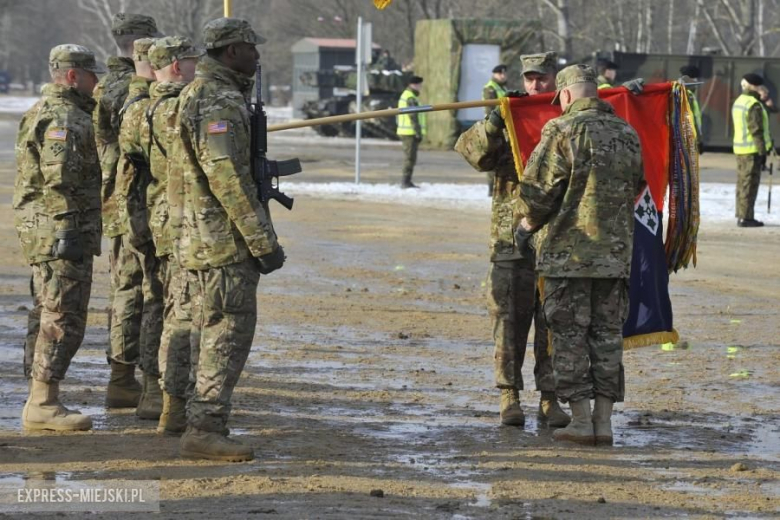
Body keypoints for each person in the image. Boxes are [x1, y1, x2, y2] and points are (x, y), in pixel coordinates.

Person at [171, 17, 285, 461]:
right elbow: (228, 179)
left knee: (208, 329)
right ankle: (205, 427)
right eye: (250, 48)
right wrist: (262, 242)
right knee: (227, 333)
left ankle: (196, 417)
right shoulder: (218, 100)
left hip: (200, 238)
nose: (257, 56)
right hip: (222, 242)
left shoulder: (199, 93)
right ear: (231, 51)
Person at [514, 64, 645, 446]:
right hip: (614, 258)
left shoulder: (561, 130)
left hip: (567, 259)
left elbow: (537, 194)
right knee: (607, 337)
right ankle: (604, 423)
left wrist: (524, 227)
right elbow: (637, 185)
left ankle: (582, 421)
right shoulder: (628, 133)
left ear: (567, 95)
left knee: (569, 337)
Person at [454, 52, 570, 429]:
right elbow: (472, 153)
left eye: (544, 78)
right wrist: (492, 124)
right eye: (530, 78)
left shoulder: (569, 117)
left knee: (553, 323)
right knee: (508, 320)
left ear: (556, 78)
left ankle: (550, 399)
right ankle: (510, 395)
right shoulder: (510, 115)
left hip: (558, 237)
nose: (536, 85)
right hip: (510, 238)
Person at [14, 44, 106, 431]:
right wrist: (68, 229)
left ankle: (40, 396)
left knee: (48, 309)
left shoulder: (49, 111)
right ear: (72, 76)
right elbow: (60, 177)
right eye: (90, 74)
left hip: (50, 229)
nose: (95, 82)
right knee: (62, 315)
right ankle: (43, 401)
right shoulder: (64, 117)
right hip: (61, 230)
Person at [93, 13, 160, 409]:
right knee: (152, 292)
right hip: (143, 201)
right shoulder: (139, 88)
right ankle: (150, 383)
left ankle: (121, 377)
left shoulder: (106, 85)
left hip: (116, 202)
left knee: (125, 291)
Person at [142, 36, 203, 435]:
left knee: (172, 309)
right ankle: (173, 406)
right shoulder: (173, 109)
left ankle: (170, 404)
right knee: (183, 314)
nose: (200, 69)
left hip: (164, 216)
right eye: (194, 63)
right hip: (182, 221)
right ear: (178, 67)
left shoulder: (144, 107)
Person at [115, 37, 164, 419]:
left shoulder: (136, 101)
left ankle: (149, 389)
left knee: (150, 298)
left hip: (139, 215)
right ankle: (151, 390)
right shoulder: (143, 106)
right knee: (156, 302)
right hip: (150, 217)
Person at [732, 73, 772, 228]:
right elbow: (756, 130)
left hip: (741, 150)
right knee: (749, 185)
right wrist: (762, 152)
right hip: (752, 151)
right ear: (755, 86)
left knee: (742, 184)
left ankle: (742, 215)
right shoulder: (753, 105)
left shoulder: (740, 101)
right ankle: (746, 217)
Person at [482, 64, 509, 196]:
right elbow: (490, 109)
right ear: (495, 74)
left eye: (504, 73)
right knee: (493, 157)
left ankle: (499, 187)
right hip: (494, 126)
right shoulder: (490, 88)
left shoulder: (502, 87)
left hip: (504, 126)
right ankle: (491, 188)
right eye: (501, 74)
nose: (504, 76)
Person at [396, 75, 426, 189]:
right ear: (413, 85)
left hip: (408, 132)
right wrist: (418, 132)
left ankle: (407, 180)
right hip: (409, 132)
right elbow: (413, 116)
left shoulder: (409, 95)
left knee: (411, 157)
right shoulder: (410, 97)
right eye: (419, 85)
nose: (420, 87)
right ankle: (405, 181)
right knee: (410, 158)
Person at [679, 65, 703, 152]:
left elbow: (695, 120)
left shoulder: (689, 95)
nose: (697, 82)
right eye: (695, 78)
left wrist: (699, 140)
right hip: (685, 141)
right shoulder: (684, 96)